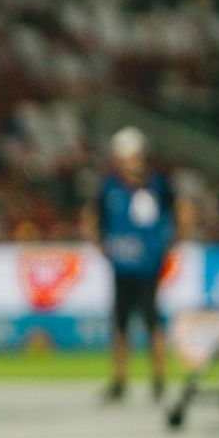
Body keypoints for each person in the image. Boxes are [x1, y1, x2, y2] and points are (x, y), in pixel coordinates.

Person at [90, 128, 179, 402]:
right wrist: (102, 244)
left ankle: (159, 379)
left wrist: (168, 245)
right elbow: (96, 218)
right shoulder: (109, 187)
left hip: (148, 267)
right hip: (122, 267)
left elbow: (178, 213)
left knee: (152, 321)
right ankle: (119, 380)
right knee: (120, 324)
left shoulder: (158, 186)